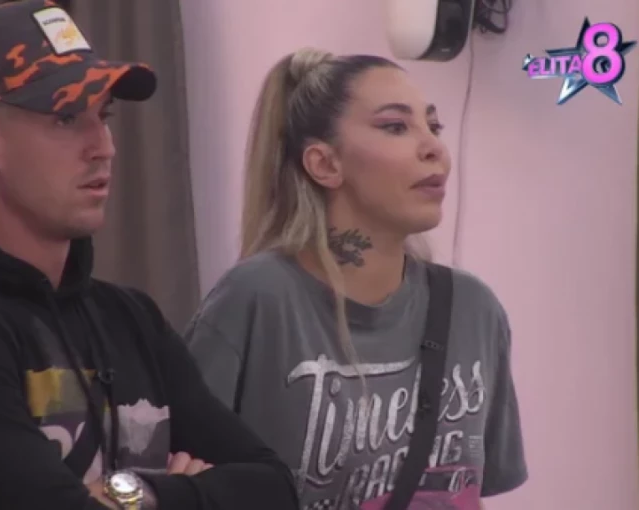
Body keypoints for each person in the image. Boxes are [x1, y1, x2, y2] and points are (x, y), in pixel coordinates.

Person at [0, 2, 298, 510]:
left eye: (104, 116)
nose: (103, 147)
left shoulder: (130, 319)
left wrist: (137, 494)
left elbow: (273, 488)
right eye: (66, 118)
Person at [184, 48, 528, 510]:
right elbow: (183, 484)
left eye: (434, 126)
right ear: (325, 164)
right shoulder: (257, 299)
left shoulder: (473, 309)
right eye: (395, 126)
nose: (434, 148)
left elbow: (469, 492)